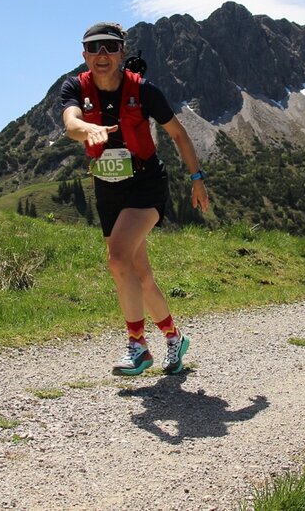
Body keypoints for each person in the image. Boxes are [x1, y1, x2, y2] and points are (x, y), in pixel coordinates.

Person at [61, 22, 210, 375]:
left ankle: (138, 346)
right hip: (107, 187)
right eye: (94, 47)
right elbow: (70, 123)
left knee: (117, 260)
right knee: (139, 274)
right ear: (84, 55)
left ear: (122, 53)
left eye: (110, 47)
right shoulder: (74, 87)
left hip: (146, 184)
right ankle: (174, 337)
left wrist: (197, 179)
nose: (102, 54)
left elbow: (178, 134)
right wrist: (88, 129)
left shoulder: (144, 91)